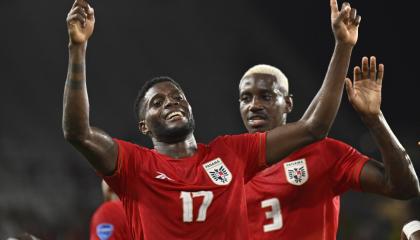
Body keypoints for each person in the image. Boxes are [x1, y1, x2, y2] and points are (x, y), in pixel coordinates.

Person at [63, 0, 360, 238]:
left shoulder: (231, 153)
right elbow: (78, 133)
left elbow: (313, 128)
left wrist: (343, 46)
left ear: (191, 107)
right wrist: (78, 48)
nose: (171, 103)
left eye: (178, 97)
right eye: (158, 102)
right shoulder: (134, 165)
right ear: (144, 125)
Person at [242, 57, 420, 239]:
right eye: (245, 98)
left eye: (266, 96)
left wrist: (375, 120)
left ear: (288, 103)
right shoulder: (225, 168)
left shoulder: (323, 153)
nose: (254, 105)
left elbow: (404, 188)